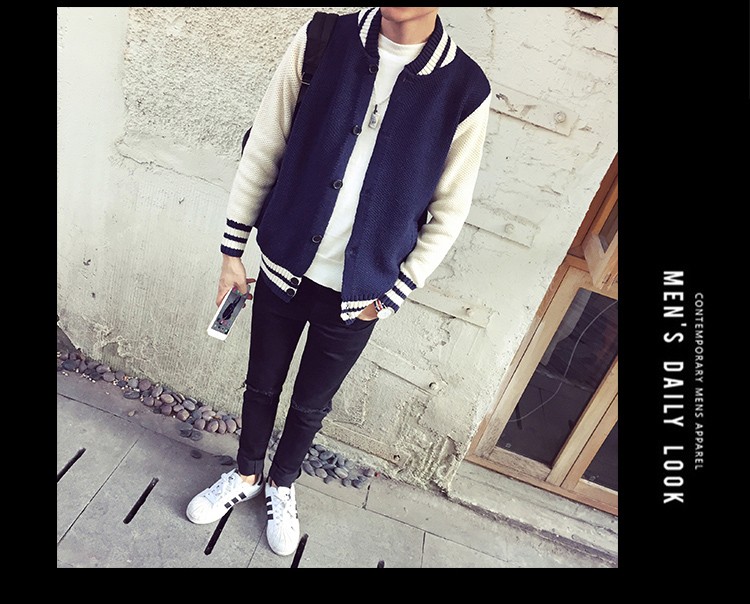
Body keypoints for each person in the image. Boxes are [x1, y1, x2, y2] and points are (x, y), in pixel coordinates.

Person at [186, 6, 491, 557]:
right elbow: (265, 145)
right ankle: (247, 474)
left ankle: (282, 484)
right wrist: (232, 253)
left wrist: (394, 293)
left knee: (311, 405)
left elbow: (451, 209)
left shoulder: (465, 87)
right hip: (283, 267)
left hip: (361, 295)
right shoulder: (325, 37)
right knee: (261, 384)